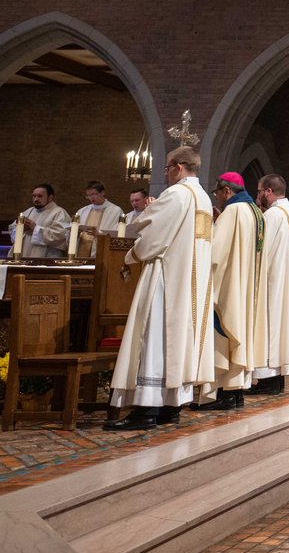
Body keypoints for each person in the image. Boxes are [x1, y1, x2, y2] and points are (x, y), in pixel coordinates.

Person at [105, 147, 216, 430]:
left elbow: (153, 235)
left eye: (167, 168)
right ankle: (171, 406)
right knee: (177, 342)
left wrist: (131, 255)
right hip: (191, 282)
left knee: (154, 338)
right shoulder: (202, 197)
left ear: (178, 167)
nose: (165, 174)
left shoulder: (177, 194)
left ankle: (145, 411)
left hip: (167, 279)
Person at [198, 171, 261, 411]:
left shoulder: (232, 212)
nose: (217, 199)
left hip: (228, 288)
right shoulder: (255, 212)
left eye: (217, 193)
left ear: (226, 191)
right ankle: (236, 392)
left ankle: (222, 393)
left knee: (221, 334)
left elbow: (216, 253)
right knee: (240, 335)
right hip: (245, 288)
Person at [253, 174, 289, 394]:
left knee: (273, 325)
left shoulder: (274, 215)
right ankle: (278, 380)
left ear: (268, 191)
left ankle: (268, 379)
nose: (258, 196)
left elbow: (262, 251)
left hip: (275, 282)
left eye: (259, 191)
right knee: (285, 326)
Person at [10, 184, 72, 258]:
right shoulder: (27, 212)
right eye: (34, 196)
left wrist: (35, 228)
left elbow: (61, 236)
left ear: (50, 198)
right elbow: (12, 230)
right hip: (25, 255)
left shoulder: (60, 213)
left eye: (40, 196)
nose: (36, 199)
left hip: (47, 257)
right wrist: (21, 229)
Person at [73, 181, 122, 258]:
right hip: (81, 251)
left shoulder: (115, 211)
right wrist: (76, 231)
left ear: (102, 192)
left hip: (101, 253)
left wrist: (99, 234)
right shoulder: (82, 211)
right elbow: (71, 233)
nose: (91, 198)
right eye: (88, 195)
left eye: (93, 194)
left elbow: (118, 234)